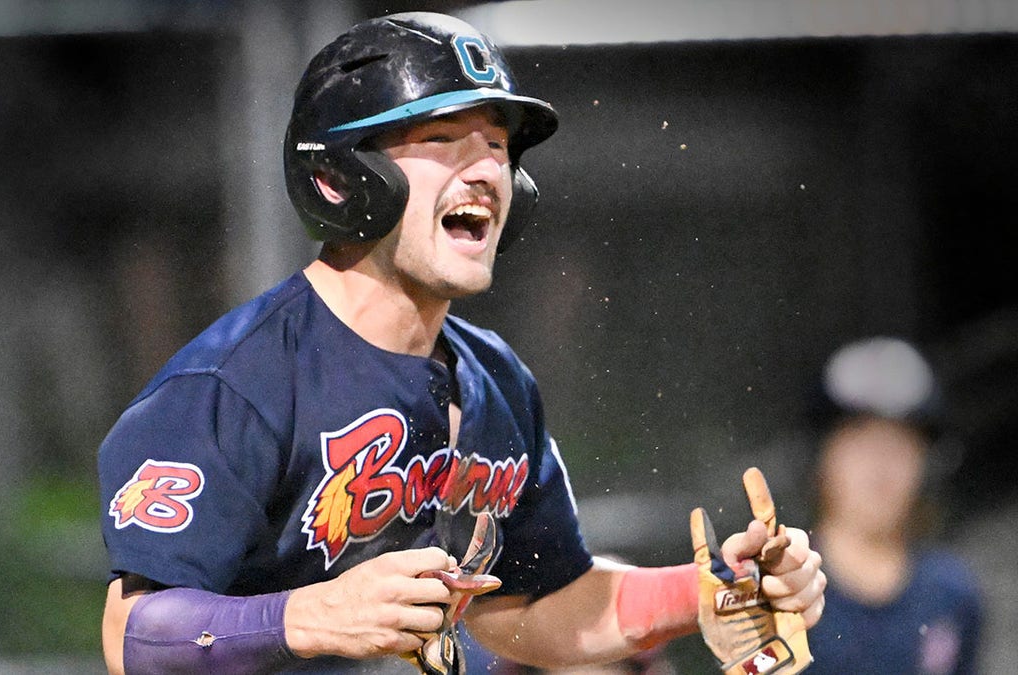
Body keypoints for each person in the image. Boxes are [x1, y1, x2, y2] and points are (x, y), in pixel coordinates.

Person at [97, 11, 825, 674]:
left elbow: (529, 615)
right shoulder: (236, 382)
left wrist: (707, 592)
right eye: (443, 140)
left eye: (498, 146)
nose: (486, 170)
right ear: (341, 176)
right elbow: (132, 636)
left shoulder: (498, 381)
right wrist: (310, 615)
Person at [804, 337, 983, 674]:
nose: (881, 466)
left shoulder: (952, 594)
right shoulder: (775, 595)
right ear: (824, 456)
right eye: (862, 440)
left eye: (900, 445)